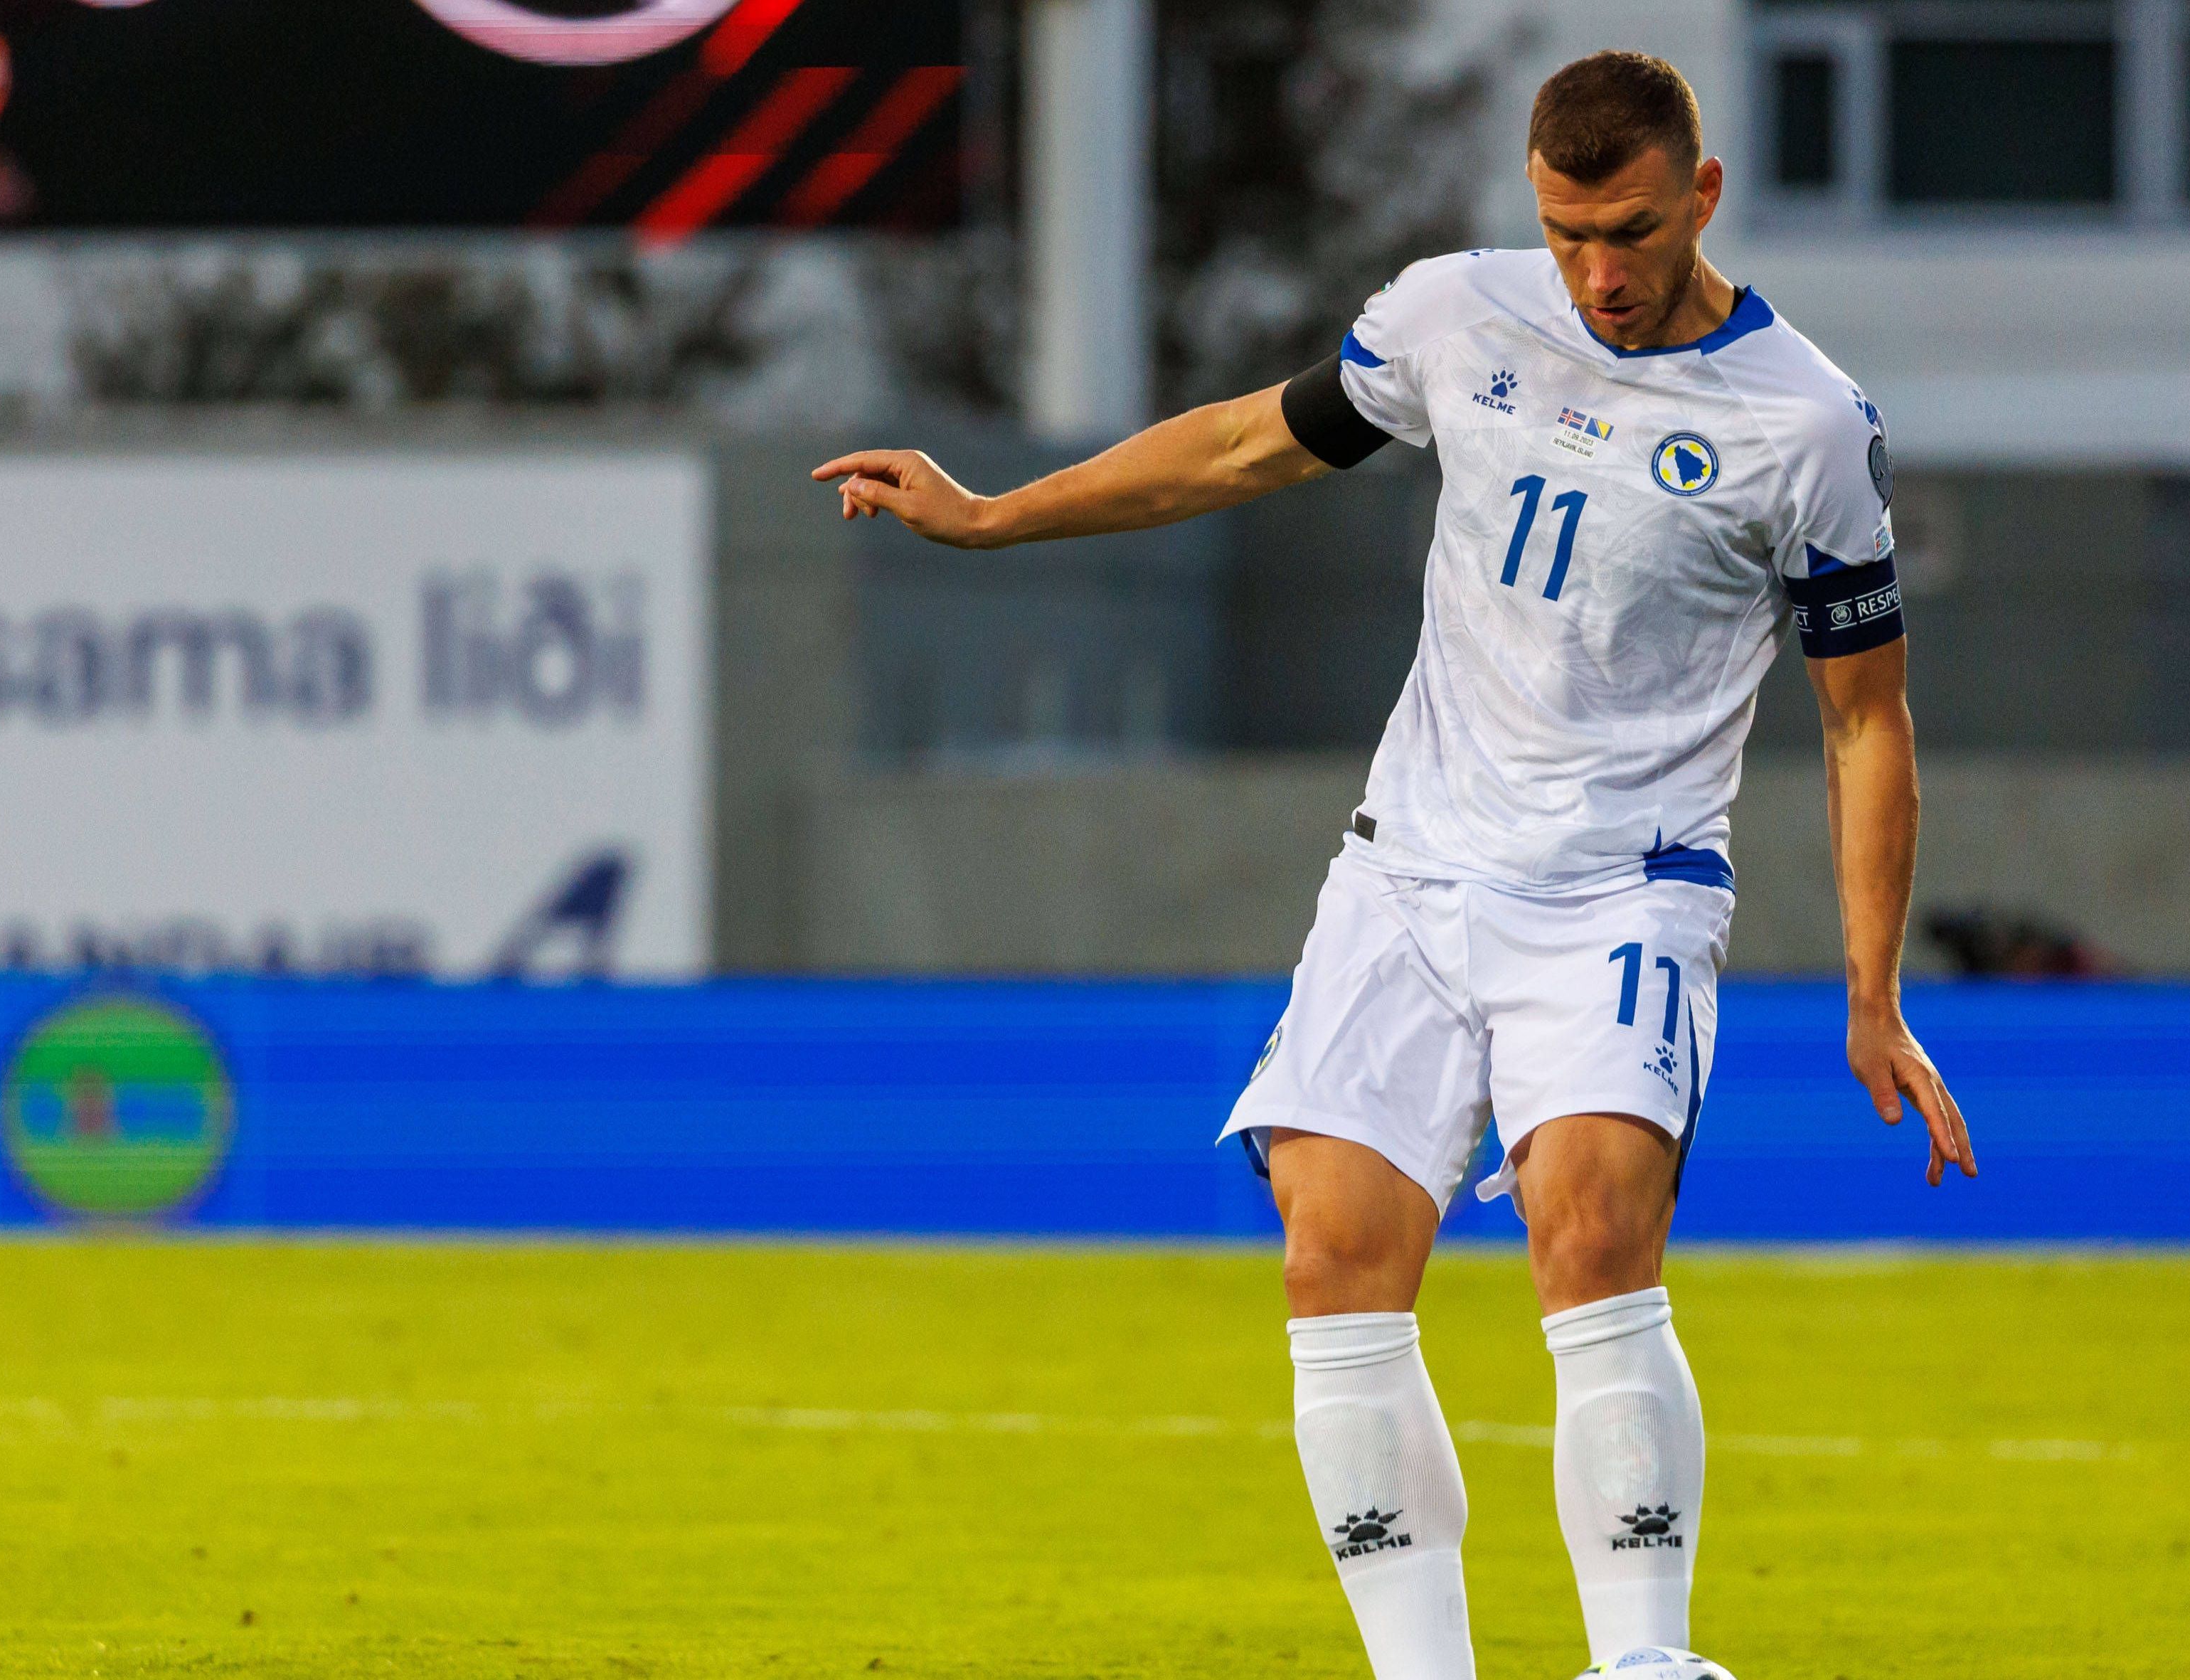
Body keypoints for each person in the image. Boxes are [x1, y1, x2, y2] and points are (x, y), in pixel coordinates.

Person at [813, 49, 1975, 1680]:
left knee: (1587, 1222)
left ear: (1701, 198)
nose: (1598, 272)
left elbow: (1867, 723)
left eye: (1631, 231)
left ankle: (1645, 1659)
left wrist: (1874, 994)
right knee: (1332, 1250)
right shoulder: (1455, 316)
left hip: (1624, 885)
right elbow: (1241, 448)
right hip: (1412, 869)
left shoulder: (1808, 427)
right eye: (1567, 232)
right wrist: (995, 514)